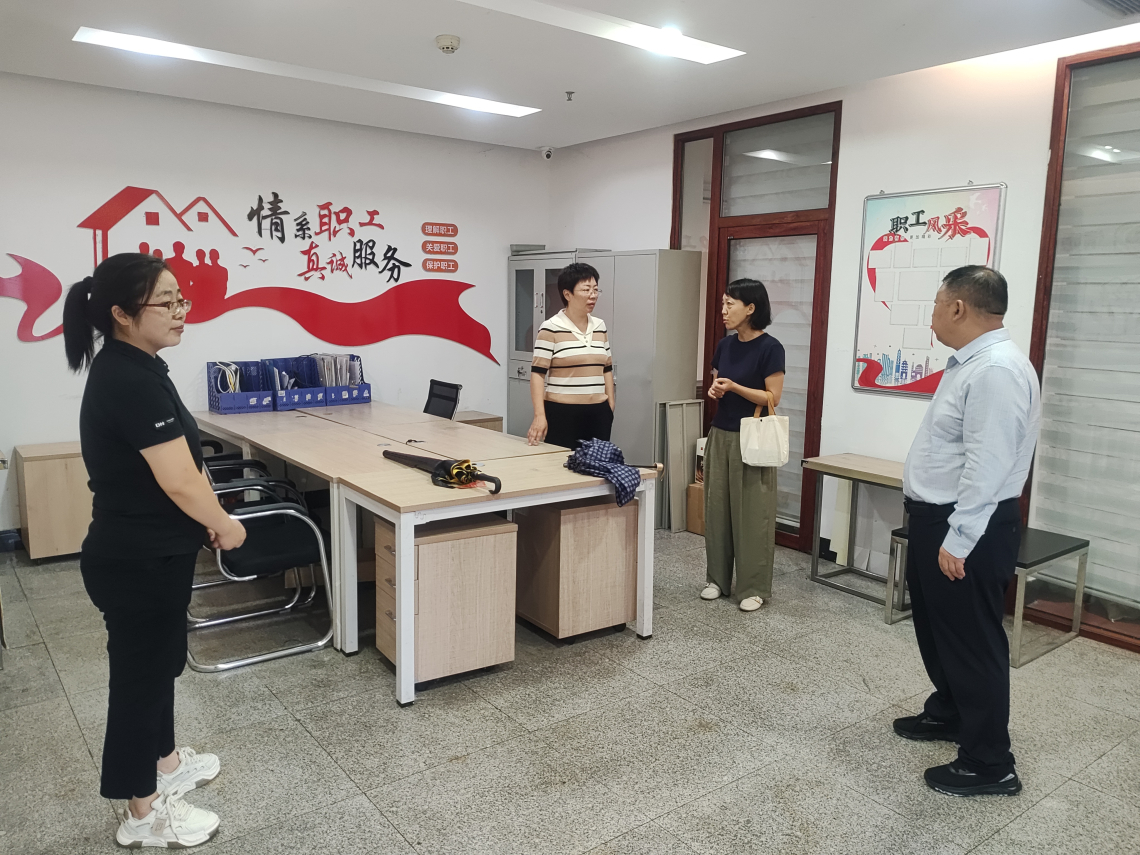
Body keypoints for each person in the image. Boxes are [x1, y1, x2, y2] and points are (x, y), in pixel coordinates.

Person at [62, 253, 247, 848]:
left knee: (160, 664)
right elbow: (180, 480)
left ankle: (165, 764)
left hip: (155, 552)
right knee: (138, 684)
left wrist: (206, 517)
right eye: (165, 302)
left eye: (180, 299)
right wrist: (224, 524)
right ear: (121, 313)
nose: (179, 310)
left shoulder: (142, 366)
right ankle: (142, 813)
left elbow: (186, 462)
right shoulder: (128, 379)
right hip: (136, 559)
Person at [893, 265, 1041, 798]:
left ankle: (989, 762)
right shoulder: (972, 363)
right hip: (941, 518)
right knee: (940, 630)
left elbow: (989, 465)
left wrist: (959, 540)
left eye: (936, 305)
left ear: (958, 307)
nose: (932, 316)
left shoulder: (996, 370)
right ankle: (951, 711)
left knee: (972, 642)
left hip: (966, 525)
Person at [701, 278, 785, 612]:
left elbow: (772, 397)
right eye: (723, 303)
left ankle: (753, 587)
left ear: (750, 308)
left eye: (729, 304)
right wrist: (716, 389)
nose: (723, 310)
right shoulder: (725, 345)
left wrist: (735, 387)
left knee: (753, 515)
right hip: (720, 434)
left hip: (753, 437)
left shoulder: (770, 347)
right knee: (717, 511)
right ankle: (717, 580)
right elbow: (716, 382)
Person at [527, 262, 615, 449]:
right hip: (562, 414)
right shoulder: (550, 328)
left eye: (596, 290)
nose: (593, 295)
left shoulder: (600, 326)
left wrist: (610, 404)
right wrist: (539, 415)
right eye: (586, 290)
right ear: (567, 294)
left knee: (597, 464)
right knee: (561, 464)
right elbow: (537, 374)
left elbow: (607, 368)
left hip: (598, 413)